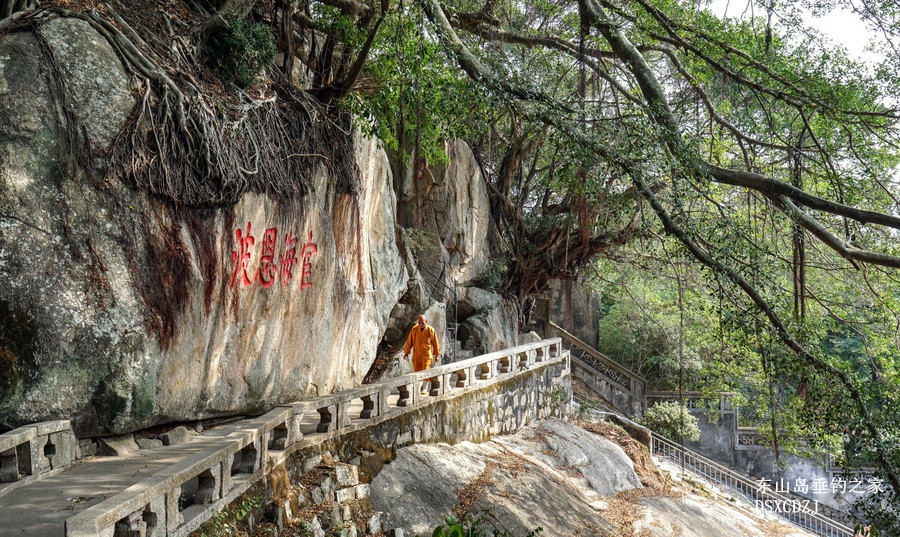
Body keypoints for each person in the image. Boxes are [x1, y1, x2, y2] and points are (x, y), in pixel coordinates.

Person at [403, 314, 441, 394]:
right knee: (417, 371)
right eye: (419, 322)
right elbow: (409, 342)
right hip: (417, 355)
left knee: (426, 371)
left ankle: (425, 388)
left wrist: (437, 355)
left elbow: (435, 343)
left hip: (427, 355)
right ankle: (419, 388)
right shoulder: (414, 329)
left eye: (422, 323)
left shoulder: (431, 330)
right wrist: (406, 352)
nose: (420, 324)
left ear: (426, 322)